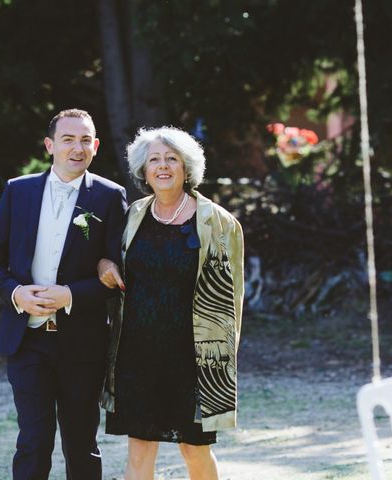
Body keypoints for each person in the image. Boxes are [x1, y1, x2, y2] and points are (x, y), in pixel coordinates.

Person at [0, 108, 127, 479]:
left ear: (95, 146)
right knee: (33, 440)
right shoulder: (18, 191)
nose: (77, 147)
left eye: (84, 140)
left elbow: (118, 276)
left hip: (83, 343)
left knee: (81, 444)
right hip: (26, 340)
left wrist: (71, 295)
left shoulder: (110, 197)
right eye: (67, 139)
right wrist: (16, 294)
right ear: (50, 145)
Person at [98, 126, 244, 480]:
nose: (163, 167)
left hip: (191, 357)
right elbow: (109, 259)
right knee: (140, 451)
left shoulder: (218, 222)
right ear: (143, 170)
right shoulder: (132, 216)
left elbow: (232, 300)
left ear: (186, 167)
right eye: (154, 160)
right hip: (137, 352)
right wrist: (105, 265)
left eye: (171, 159)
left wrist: (222, 361)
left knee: (194, 452)